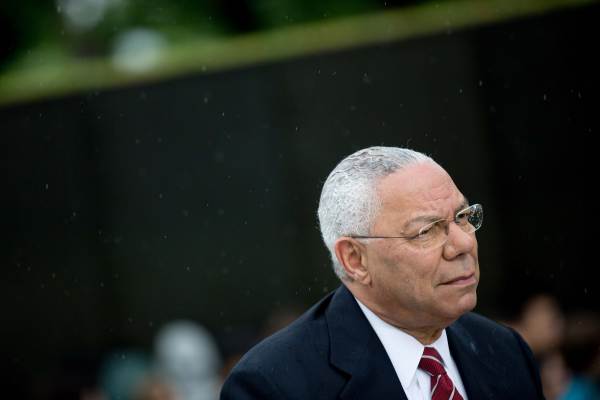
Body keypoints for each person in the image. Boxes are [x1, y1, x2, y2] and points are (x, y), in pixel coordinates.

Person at [220, 146, 545, 399]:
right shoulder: (275, 385)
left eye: (462, 216)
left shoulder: (504, 350)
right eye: (427, 231)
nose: (462, 244)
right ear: (355, 260)